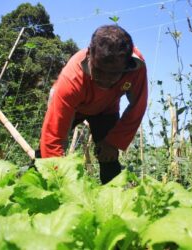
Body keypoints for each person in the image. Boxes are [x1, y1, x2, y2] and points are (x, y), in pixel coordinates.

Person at [40, 24, 148, 184]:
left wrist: (113, 141)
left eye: (113, 74)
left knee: (109, 158)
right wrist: (57, 181)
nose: (104, 80)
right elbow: (53, 137)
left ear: (127, 65)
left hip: (106, 109)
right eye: (98, 70)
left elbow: (137, 106)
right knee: (44, 158)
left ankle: (113, 201)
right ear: (89, 55)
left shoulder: (136, 66)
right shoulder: (71, 78)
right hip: (74, 107)